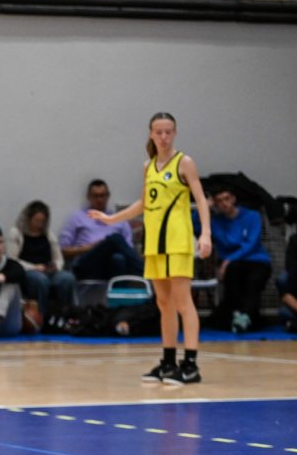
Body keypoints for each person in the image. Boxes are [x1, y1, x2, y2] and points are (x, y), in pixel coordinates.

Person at [90, 112, 211, 385]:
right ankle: (168, 362)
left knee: (183, 302)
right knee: (163, 303)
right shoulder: (149, 166)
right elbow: (143, 203)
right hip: (155, 243)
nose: (164, 137)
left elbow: (201, 200)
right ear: (151, 134)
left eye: (169, 132)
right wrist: (111, 219)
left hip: (178, 241)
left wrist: (205, 234)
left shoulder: (184, 162)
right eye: (159, 132)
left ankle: (190, 364)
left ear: (175, 133)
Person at [207, 188, 273, 333]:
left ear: (233, 199)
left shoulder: (252, 216)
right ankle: (239, 315)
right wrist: (204, 207)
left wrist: (228, 260)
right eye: (219, 201)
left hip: (256, 259)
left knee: (254, 281)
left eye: (227, 198)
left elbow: (251, 243)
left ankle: (245, 316)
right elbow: (194, 225)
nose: (224, 203)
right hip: (232, 265)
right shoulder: (215, 221)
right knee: (233, 275)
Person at [60, 180, 145, 280]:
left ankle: (119, 289)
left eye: (102, 196)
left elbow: (128, 249)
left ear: (108, 196)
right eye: (95, 196)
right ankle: (145, 272)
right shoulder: (77, 218)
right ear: (88, 197)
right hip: (86, 263)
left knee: (118, 258)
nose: (99, 199)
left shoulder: (118, 219)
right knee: (115, 238)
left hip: (111, 264)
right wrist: (90, 247)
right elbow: (63, 251)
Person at [7, 200, 76, 319]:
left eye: (42, 221)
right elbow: (12, 260)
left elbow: (58, 258)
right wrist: (34, 267)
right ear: (28, 219)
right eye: (36, 221)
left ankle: (64, 315)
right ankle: (41, 316)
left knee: (67, 278)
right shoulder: (16, 233)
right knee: (40, 280)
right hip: (28, 271)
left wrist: (56, 266)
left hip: (48, 270)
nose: (39, 224)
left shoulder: (49, 235)